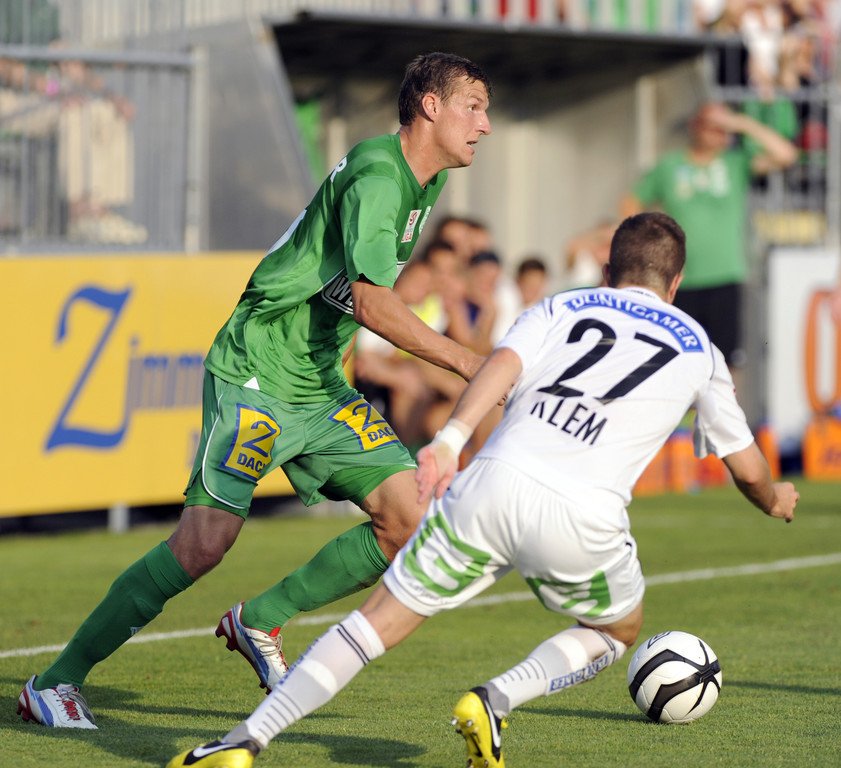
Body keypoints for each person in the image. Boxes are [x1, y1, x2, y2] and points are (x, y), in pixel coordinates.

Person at [166, 212, 799, 768]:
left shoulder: (560, 306)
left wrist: (448, 441)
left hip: (490, 483)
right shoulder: (699, 348)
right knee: (617, 628)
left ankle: (241, 742)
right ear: (676, 283)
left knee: (375, 624)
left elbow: (501, 365)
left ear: (609, 271)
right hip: (582, 516)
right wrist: (774, 500)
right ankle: (495, 699)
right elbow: (746, 467)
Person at [17, 51, 493, 730]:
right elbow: (370, 301)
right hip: (258, 371)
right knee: (203, 544)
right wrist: (468, 362)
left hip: (318, 384)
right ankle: (54, 682)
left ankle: (260, 619)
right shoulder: (380, 177)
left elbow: (350, 288)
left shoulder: (424, 179)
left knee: (409, 518)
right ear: (431, 106)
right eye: (474, 107)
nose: (484, 124)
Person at [621, 101, 797, 388]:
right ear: (696, 126)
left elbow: (786, 155)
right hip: (678, 278)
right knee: (675, 356)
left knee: (725, 361)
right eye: (712, 126)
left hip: (726, 274)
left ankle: (723, 415)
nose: (719, 133)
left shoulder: (735, 163)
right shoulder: (670, 166)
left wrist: (741, 123)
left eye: (722, 128)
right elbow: (631, 202)